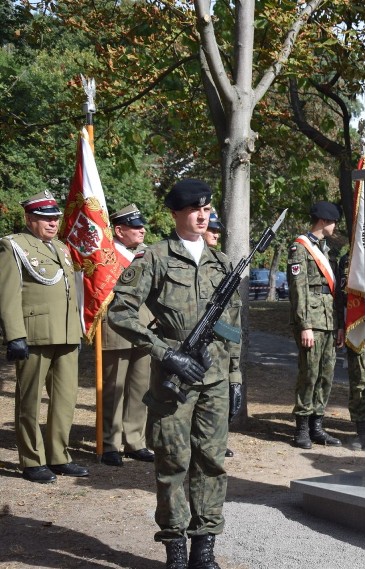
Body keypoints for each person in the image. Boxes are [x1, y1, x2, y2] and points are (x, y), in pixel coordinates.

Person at [108, 179, 243, 568]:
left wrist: (234, 376)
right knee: (172, 462)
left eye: (206, 209)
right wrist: (165, 353)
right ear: (175, 214)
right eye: (193, 209)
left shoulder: (221, 263)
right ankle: (176, 550)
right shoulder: (155, 258)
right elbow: (119, 311)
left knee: (212, 460)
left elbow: (231, 325)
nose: (202, 216)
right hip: (175, 379)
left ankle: (204, 548)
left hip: (214, 378)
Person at [0, 190, 87, 483]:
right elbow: (7, 295)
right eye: (44, 218)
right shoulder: (13, 245)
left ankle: (59, 456)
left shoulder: (61, 248)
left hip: (65, 333)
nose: (52, 223)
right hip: (34, 335)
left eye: (55, 218)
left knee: (65, 399)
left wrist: (76, 329)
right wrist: (14, 335)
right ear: (29, 218)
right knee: (30, 400)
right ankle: (32, 460)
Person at [100, 204, 154, 467]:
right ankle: (110, 443)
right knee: (113, 389)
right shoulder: (106, 256)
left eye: (141, 225)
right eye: (135, 226)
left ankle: (135, 441)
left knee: (139, 387)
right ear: (119, 230)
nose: (141, 229)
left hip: (143, 326)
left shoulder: (146, 254)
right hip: (115, 327)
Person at [288, 201, 344, 449]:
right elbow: (298, 291)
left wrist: (340, 324)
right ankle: (301, 428)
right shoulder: (300, 248)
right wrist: (304, 325)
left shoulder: (327, 250)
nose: (335, 227)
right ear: (323, 221)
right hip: (311, 320)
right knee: (309, 374)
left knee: (326, 375)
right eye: (333, 222)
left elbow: (336, 293)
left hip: (329, 320)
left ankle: (317, 426)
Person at [202, 208, 235, 459]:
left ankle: (218, 442)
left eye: (217, 230)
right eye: (211, 229)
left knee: (220, 397)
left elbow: (233, 311)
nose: (215, 233)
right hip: (197, 342)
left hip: (222, 342)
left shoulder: (224, 261)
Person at [335, 252, 365, 450]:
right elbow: (341, 296)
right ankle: (363, 431)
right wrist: (340, 324)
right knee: (359, 380)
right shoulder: (353, 257)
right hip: (359, 328)